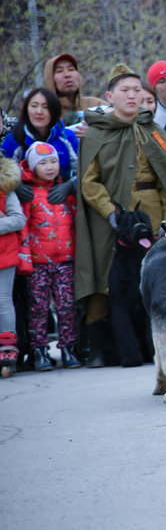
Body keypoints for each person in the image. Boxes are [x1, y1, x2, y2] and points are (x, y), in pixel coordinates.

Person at [74, 64, 166, 367]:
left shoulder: (153, 130)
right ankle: (100, 347)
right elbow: (88, 181)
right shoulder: (95, 133)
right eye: (125, 90)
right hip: (109, 217)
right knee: (104, 276)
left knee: (156, 278)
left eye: (137, 89)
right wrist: (111, 213)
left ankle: (163, 344)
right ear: (110, 96)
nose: (133, 95)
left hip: (150, 213)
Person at [21, 142, 79, 370]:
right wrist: (24, 257)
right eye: (42, 162)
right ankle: (40, 351)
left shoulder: (65, 191)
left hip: (65, 260)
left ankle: (68, 348)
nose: (49, 167)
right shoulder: (28, 193)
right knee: (38, 308)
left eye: (53, 161)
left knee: (67, 306)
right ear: (33, 166)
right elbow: (23, 228)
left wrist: (70, 186)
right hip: (38, 262)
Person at [3, 87, 79, 190]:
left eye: (45, 107)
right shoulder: (13, 139)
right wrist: (15, 186)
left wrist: (70, 186)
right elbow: (2, 169)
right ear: (26, 109)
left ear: (54, 110)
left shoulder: (68, 137)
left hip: (65, 201)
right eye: (34, 106)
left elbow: (84, 172)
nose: (39, 111)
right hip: (25, 202)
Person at [0, 155, 24, 375]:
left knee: (3, 300)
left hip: (3, 254)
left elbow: (18, 219)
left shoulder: (5, 187)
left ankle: (7, 347)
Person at [43, 53, 103, 130]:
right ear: (50, 79)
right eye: (60, 71)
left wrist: (92, 135)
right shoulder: (45, 113)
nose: (67, 75)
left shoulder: (97, 105)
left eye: (71, 69)